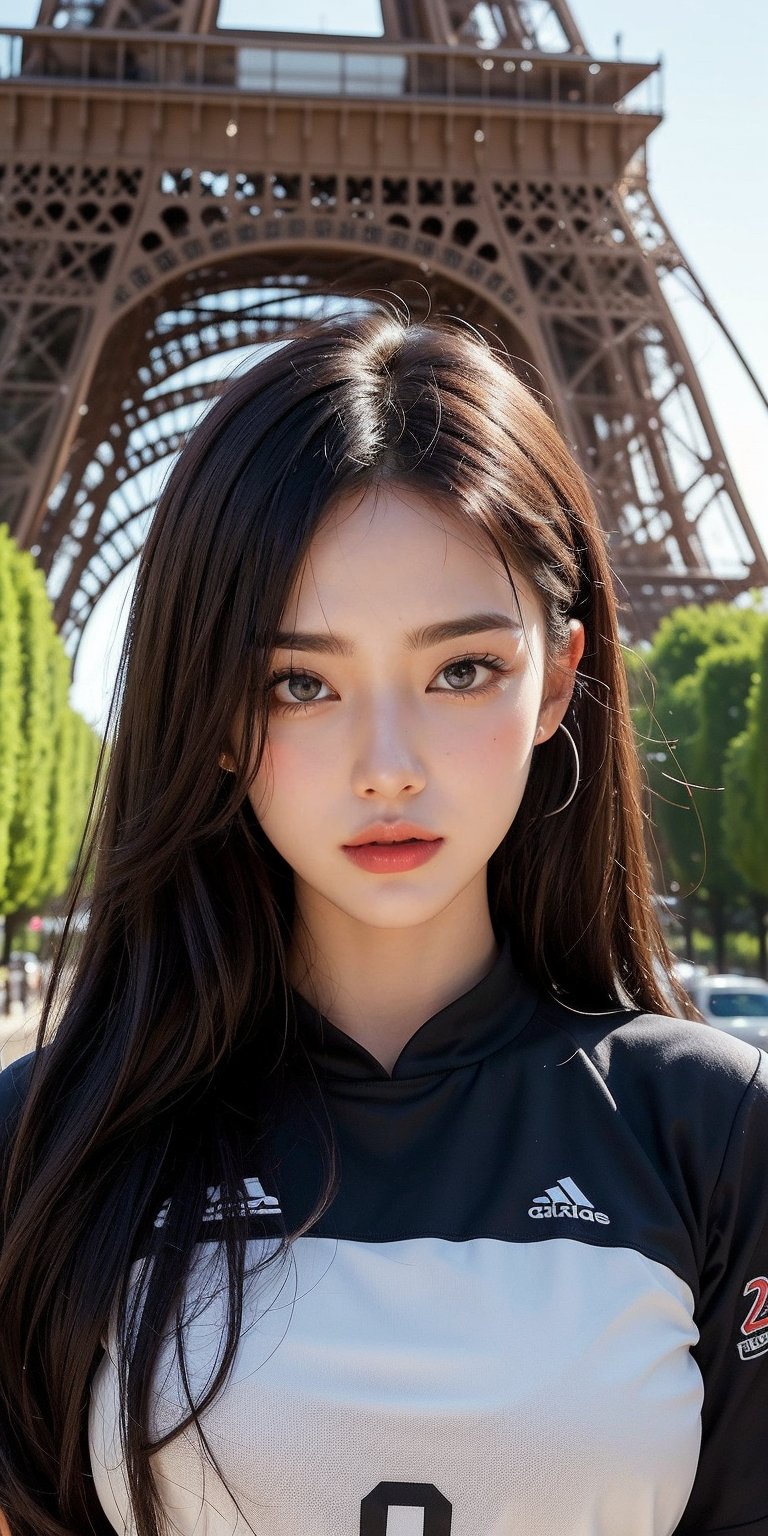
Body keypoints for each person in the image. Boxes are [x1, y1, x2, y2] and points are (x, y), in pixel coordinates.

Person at [1, 309, 766, 1536]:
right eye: (299, 683)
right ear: (213, 713)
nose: (388, 765)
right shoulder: (43, 1149)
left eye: (461, 669)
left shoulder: (725, 1141)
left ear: (558, 680)